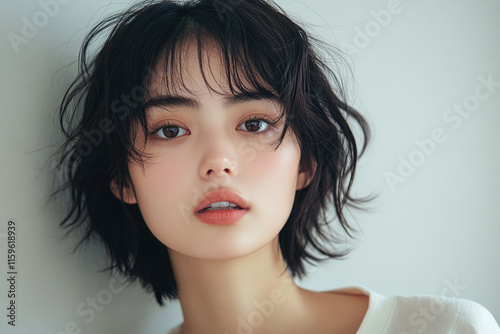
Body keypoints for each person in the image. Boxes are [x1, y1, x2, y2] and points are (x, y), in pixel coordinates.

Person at [53, 0, 500, 333]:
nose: (219, 163)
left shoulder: (441, 328)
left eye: (254, 123)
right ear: (121, 177)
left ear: (305, 161)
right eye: (170, 130)